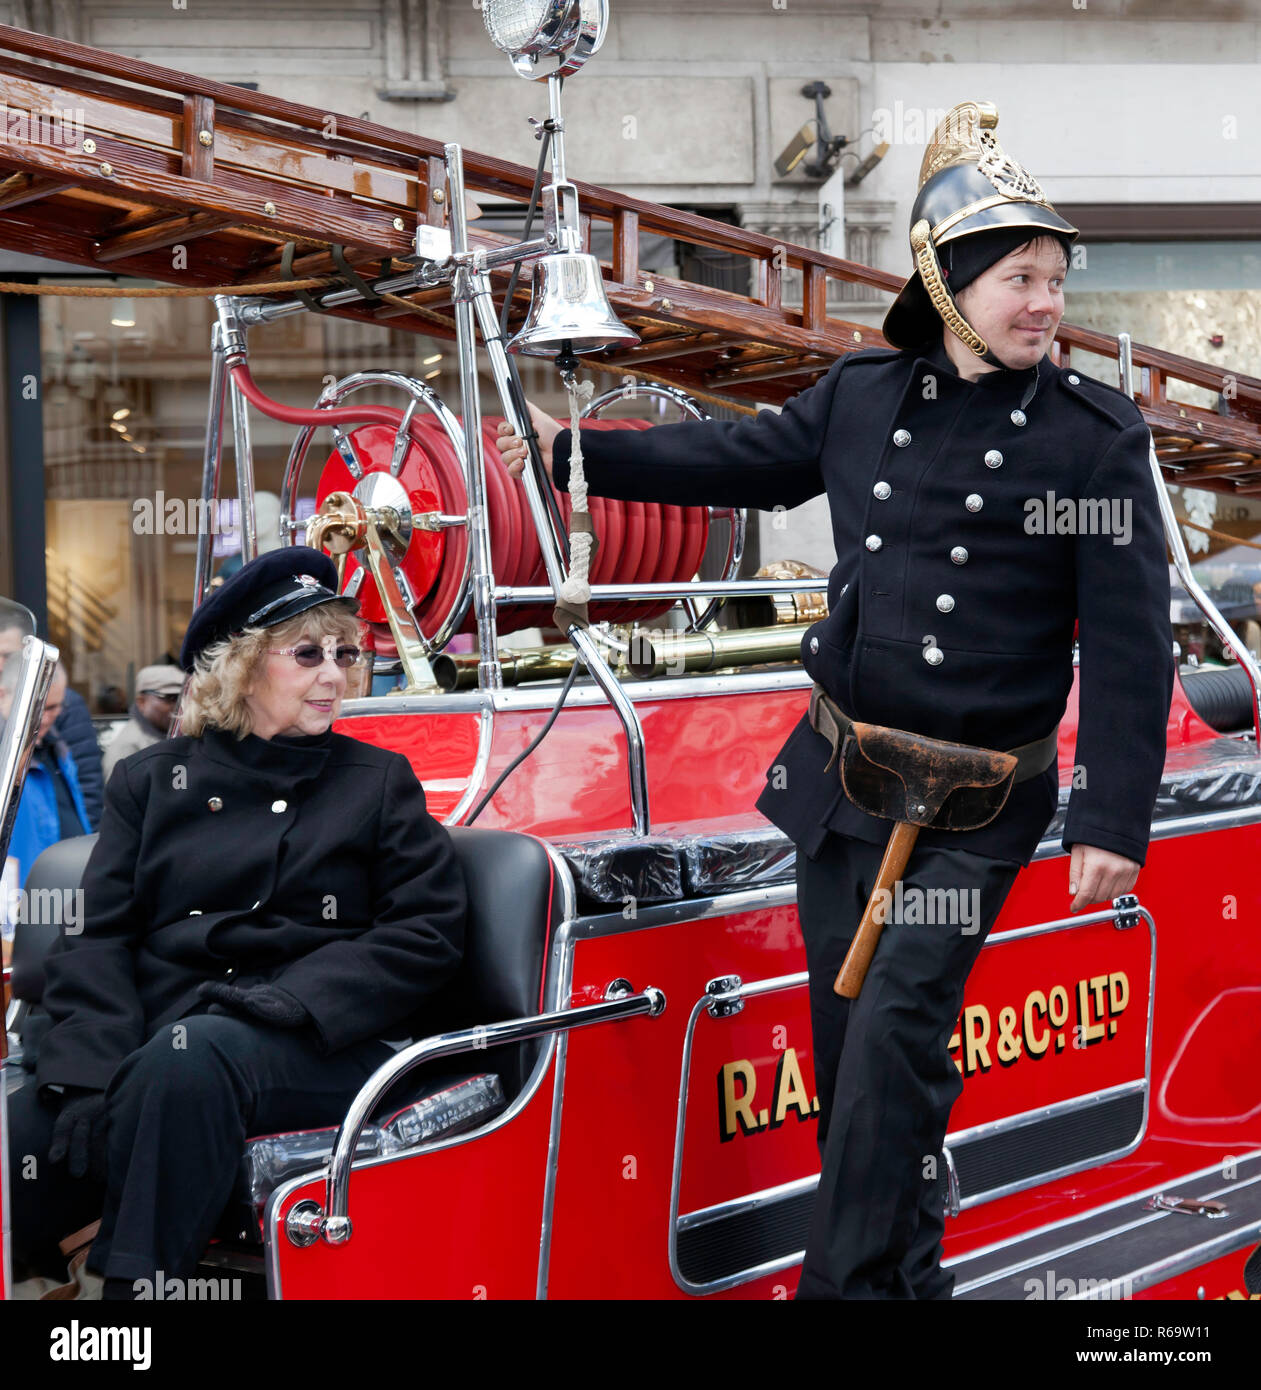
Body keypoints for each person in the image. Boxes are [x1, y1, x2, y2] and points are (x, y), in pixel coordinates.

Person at [496, 101, 1174, 1299]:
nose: (1045, 303)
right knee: (862, 1058)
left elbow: (1127, 647)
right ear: (951, 282)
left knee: (892, 1043)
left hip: (977, 810)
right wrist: (578, 454)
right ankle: (907, 1281)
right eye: (1021, 277)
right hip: (843, 786)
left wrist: (1113, 818)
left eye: (1056, 280)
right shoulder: (863, 395)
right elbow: (736, 457)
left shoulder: (1092, 441)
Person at [5, 547, 467, 1297]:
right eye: (308, 653)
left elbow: (424, 934)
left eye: (345, 653)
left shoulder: (375, 783)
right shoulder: (151, 781)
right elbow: (100, 934)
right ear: (242, 666)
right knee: (29, 1131)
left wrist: (283, 1004)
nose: (335, 675)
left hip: (310, 1039)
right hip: (165, 1035)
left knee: (190, 1063)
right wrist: (86, 1076)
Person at [0, 598, 103, 830]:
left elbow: (84, 784)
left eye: (8, 655)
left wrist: (86, 843)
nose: (44, 718)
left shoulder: (65, 704)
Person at [3, 663, 93, 887]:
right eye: (37, 707)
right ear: (2, 694)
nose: (43, 718)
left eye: (52, 708)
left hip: (64, 888)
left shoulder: (57, 748)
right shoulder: (9, 755)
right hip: (22, 896)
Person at [101, 663, 185, 776]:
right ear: (142, 702)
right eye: (170, 698)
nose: (179, 706)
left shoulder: (172, 735)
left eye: (183, 697)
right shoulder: (128, 748)